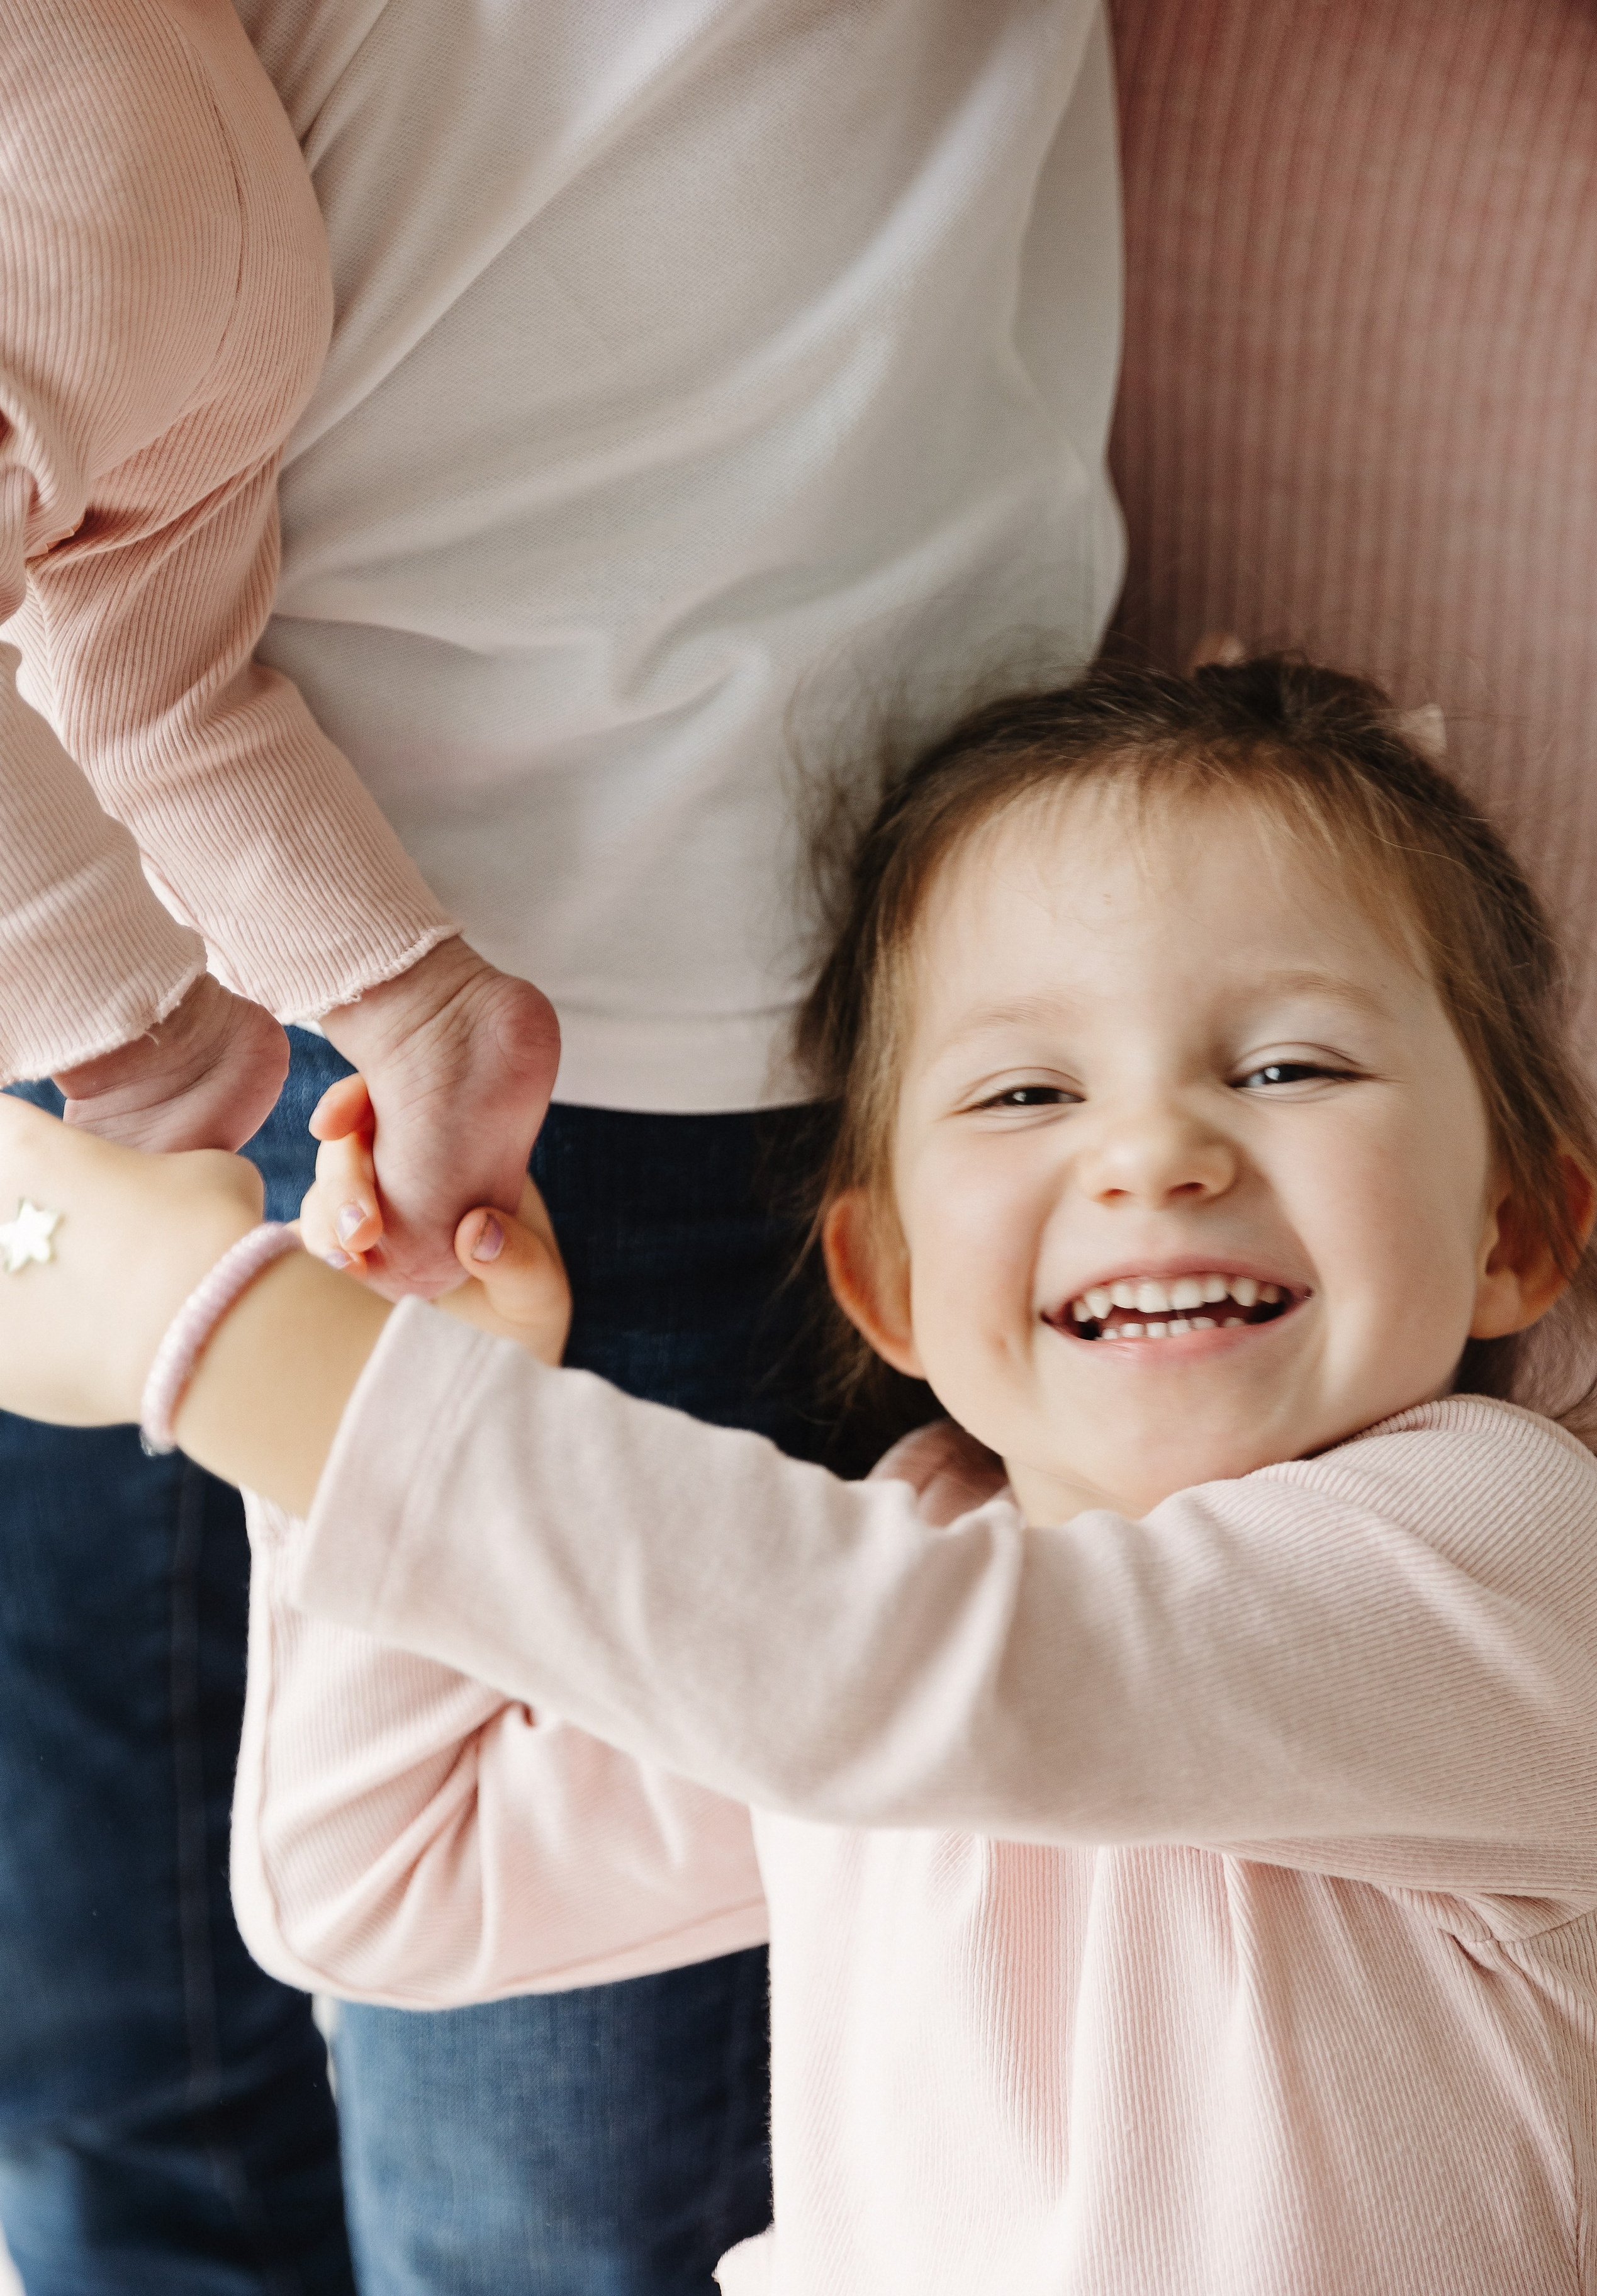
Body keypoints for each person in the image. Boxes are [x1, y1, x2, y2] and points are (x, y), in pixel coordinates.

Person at [6, 653, 1597, 2292]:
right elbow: (386, 1882)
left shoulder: (1507, 1560)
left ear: (1519, 1228)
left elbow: (903, 1667)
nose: (1153, 1155)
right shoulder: (908, 1541)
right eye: (1027, 1092)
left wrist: (205, 1331)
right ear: (888, 1283)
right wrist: (443, 1354)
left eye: (1289, 1068)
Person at [3, 1, 1124, 2283]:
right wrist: (113, 986)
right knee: (118, 2095)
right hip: (108, 945)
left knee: (542, 2208)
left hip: (704, 1012)